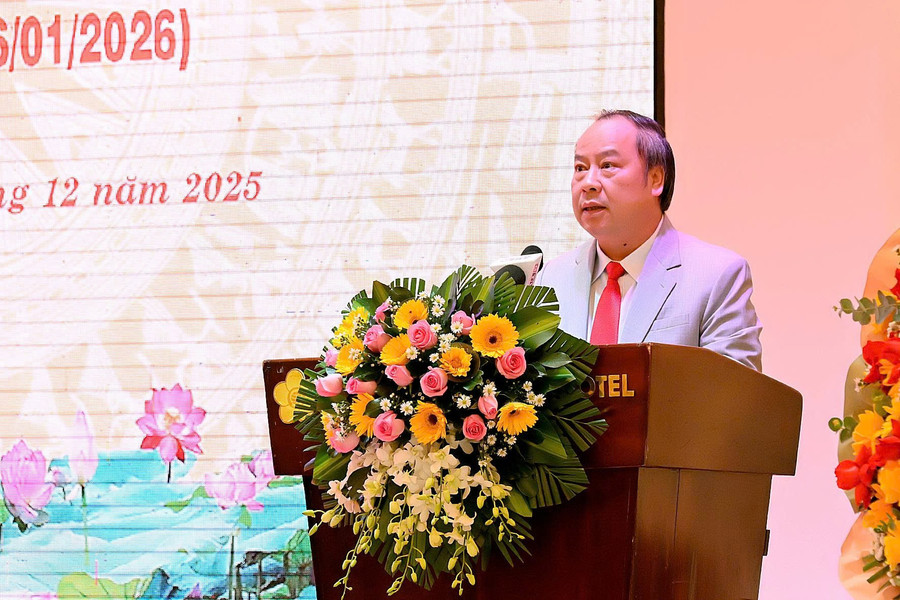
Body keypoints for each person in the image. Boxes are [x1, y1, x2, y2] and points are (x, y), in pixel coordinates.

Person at [537, 110, 762, 371]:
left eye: (607, 166)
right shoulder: (550, 278)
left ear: (656, 179)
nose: (588, 183)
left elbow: (733, 396)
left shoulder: (717, 275)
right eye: (580, 168)